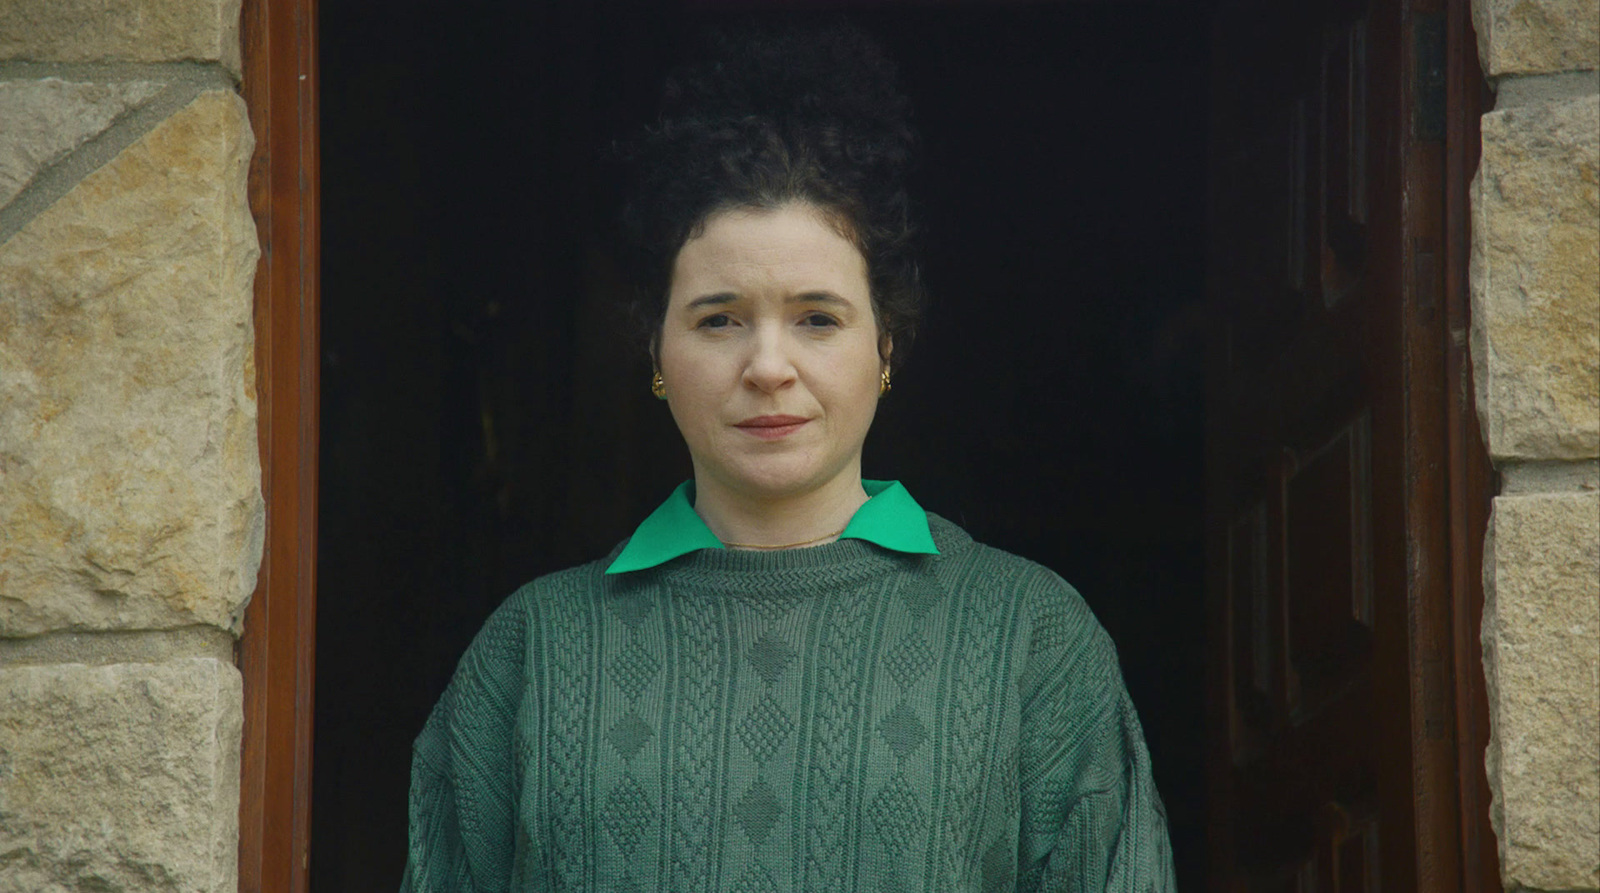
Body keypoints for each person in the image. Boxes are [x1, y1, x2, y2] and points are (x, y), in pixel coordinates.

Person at [401, 23, 1175, 893]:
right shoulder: (533, 652)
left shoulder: (1031, 638)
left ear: (887, 343)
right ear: (655, 350)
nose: (769, 366)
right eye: (718, 318)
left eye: (817, 317)